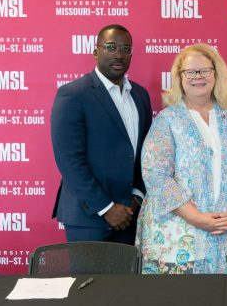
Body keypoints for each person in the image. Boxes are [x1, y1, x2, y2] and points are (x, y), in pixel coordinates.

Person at [135, 43, 227, 275]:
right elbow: (156, 175)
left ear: (216, 73)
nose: (198, 77)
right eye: (190, 72)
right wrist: (197, 218)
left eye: (205, 70)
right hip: (178, 240)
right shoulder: (167, 120)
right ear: (179, 77)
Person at [51, 24, 153, 244]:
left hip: (130, 215)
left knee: (129, 279)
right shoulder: (73, 94)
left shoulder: (140, 95)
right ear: (96, 51)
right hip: (88, 217)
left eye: (126, 49)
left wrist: (136, 197)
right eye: (111, 47)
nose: (119, 54)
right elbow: (70, 161)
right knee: (90, 280)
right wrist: (106, 208)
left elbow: (147, 154)